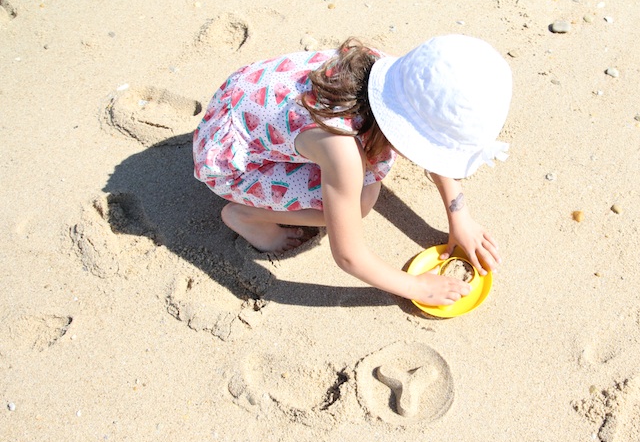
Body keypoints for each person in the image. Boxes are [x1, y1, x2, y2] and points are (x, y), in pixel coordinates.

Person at [193, 34, 512, 307]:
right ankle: (246, 216)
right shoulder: (342, 152)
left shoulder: (399, 76)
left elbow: (431, 129)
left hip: (249, 93)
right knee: (358, 202)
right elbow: (348, 255)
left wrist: (460, 217)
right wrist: (417, 287)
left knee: (369, 175)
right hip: (234, 160)